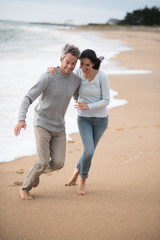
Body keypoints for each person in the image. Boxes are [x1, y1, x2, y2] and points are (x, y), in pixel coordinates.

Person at [14, 43, 81, 200]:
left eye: (73, 63)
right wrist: (21, 119)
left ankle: (37, 171)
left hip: (59, 127)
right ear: (61, 59)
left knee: (58, 163)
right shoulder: (48, 76)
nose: (70, 66)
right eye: (67, 62)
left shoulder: (76, 80)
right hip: (42, 123)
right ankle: (25, 188)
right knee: (43, 161)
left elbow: (79, 97)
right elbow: (28, 97)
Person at [47, 49, 110, 195]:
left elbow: (106, 100)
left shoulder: (102, 77)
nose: (83, 67)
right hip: (84, 119)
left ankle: (76, 172)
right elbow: (65, 75)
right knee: (89, 150)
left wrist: (88, 106)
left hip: (101, 120)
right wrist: (53, 69)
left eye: (87, 65)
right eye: (81, 64)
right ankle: (83, 179)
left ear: (93, 63)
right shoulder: (78, 74)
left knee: (89, 152)